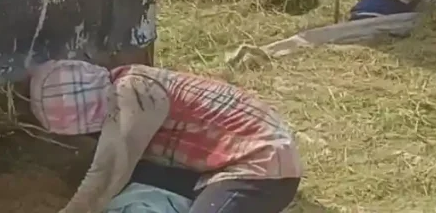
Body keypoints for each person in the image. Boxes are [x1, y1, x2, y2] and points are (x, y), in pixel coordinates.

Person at [29, 59, 302, 213]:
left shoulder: (134, 93)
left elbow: (107, 172)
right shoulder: (129, 82)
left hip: (260, 165)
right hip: (219, 161)